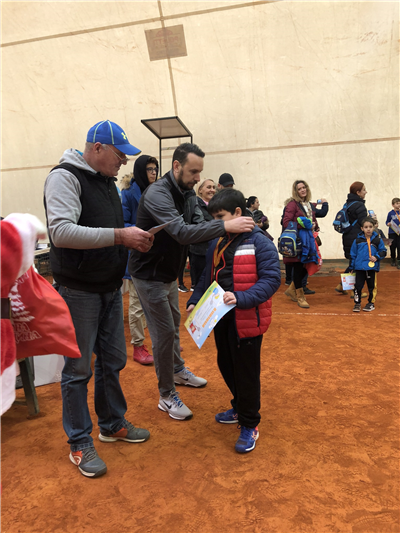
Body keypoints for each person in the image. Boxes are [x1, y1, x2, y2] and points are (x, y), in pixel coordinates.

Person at [44, 120, 154, 479]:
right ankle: (79, 442)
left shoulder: (105, 180)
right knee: (78, 370)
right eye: (120, 155)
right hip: (78, 291)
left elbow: (106, 231)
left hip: (108, 286)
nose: (124, 162)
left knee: (113, 360)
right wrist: (120, 236)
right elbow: (61, 232)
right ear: (97, 148)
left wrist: (128, 241)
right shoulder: (65, 177)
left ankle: (112, 423)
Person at [129, 143, 255, 421]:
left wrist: (227, 225)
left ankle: (177, 371)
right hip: (148, 274)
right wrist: (226, 226)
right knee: (163, 333)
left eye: (200, 172)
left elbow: (200, 224)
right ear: (176, 166)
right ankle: (166, 395)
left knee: (173, 324)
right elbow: (182, 232)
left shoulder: (186, 194)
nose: (198, 178)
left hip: (167, 272)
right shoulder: (157, 193)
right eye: (193, 171)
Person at [187, 189, 281, 453]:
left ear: (238, 213)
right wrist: (195, 300)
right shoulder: (219, 241)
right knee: (226, 363)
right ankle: (239, 407)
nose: (216, 222)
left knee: (246, 372)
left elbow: (272, 279)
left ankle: (250, 423)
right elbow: (207, 276)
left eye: (220, 217)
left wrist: (241, 298)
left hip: (247, 319)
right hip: (220, 317)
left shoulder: (260, 242)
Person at [121, 155, 159, 365]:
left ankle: (160, 341)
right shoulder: (128, 193)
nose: (153, 172)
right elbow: (122, 222)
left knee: (154, 301)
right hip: (136, 253)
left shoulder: (158, 191)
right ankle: (138, 346)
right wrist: (141, 231)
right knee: (137, 303)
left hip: (156, 254)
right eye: (149, 169)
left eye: (155, 169)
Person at [283, 181, 325, 308]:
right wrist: (304, 225)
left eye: (304, 187)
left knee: (306, 265)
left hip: (309, 239)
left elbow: (311, 218)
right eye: (299, 188)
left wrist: (314, 226)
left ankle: (292, 289)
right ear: (296, 191)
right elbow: (286, 222)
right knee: (299, 266)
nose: (302, 190)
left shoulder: (308, 204)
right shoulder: (292, 204)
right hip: (299, 240)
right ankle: (300, 296)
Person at [335, 181, 368, 295]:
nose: (366, 192)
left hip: (348, 236)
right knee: (356, 265)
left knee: (353, 263)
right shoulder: (360, 205)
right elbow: (363, 223)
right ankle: (354, 290)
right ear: (358, 192)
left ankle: (341, 285)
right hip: (357, 238)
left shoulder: (347, 204)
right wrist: (372, 222)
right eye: (364, 190)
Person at [350, 216, 387, 312]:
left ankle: (371, 303)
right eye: (366, 227)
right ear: (362, 228)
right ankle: (357, 303)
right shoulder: (357, 241)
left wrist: (377, 257)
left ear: (374, 227)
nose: (368, 229)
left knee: (372, 286)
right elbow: (353, 254)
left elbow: (383, 251)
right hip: (359, 268)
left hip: (371, 268)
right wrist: (351, 267)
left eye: (370, 227)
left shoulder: (378, 240)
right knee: (358, 286)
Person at [189, 178, 216, 289]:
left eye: (213, 187)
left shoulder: (215, 207)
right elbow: (200, 226)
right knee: (201, 288)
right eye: (208, 187)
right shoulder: (196, 205)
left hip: (213, 251)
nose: (212, 190)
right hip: (200, 252)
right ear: (200, 190)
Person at [385, 197, 400, 269]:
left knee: (399, 247)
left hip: (399, 232)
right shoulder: (390, 213)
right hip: (392, 232)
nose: (399, 204)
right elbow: (387, 221)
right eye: (397, 203)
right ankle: (393, 259)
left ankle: (399, 261)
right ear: (393, 205)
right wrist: (388, 224)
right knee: (392, 246)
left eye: (399, 203)